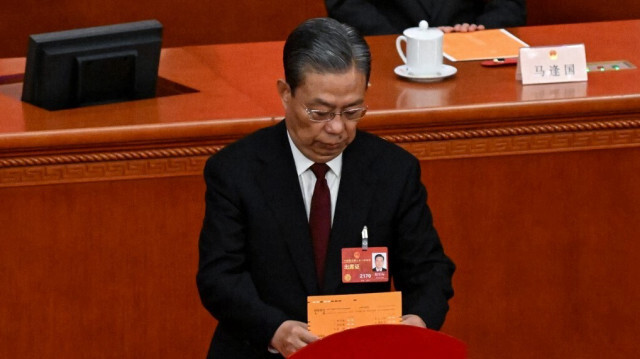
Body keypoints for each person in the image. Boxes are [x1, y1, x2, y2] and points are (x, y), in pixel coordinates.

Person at [196, 17, 455, 359]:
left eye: (352, 111)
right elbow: (219, 277)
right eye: (319, 112)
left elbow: (430, 270)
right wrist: (274, 330)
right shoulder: (236, 171)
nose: (337, 129)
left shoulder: (393, 170)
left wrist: (418, 321)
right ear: (285, 93)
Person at [325, 0, 527, 35]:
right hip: (388, 51)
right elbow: (345, 4)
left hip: (470, 57)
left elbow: (509, 5)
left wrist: (477, 34)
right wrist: (404, 40)